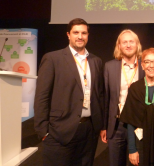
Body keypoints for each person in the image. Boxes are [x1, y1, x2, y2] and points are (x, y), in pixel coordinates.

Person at [34, 18, 104, 166]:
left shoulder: (96, 61)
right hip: (60, 130)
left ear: (88, 35)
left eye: (84, 33)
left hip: (88, 130)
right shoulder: (53, 58)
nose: (80, 36)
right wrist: (43, 131)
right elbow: (41, 96)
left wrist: (99, 125)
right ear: (68, 34)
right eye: (76, 32)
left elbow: (100, 95)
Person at [120, 48, 154, 166]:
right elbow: (130, 121)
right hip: (141, 141)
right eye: (147, 61)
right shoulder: (135, 88)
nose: (151, 65)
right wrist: (132, 149)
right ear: (142, 65)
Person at [100, 29, 144, 166]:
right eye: (124, 42)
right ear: (119, 46)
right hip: (116, 125)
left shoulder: (145, 65)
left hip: (139, 125)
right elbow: (105, 98)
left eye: (131, 41)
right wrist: (104, 127)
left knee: (138, 163)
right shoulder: (109, 67)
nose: (128, 45)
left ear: (137, 45)